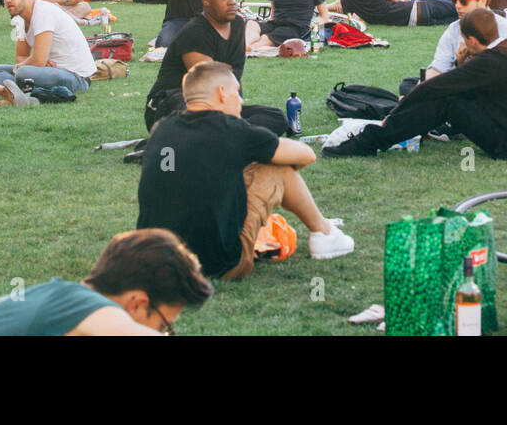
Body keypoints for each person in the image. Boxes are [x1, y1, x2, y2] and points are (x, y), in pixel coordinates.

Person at [138, 61, 353, 277]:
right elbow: (306, 155)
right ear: (222, 93)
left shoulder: (161, 129)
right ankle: (324, 233)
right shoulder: (233, 131)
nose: (240, 101)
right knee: (280, 169)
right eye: (237, 93)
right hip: (216, 263)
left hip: (154, 260)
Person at [323, 8, 507, 159]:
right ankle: (384, 135)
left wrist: (394, 114)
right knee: (448, 95)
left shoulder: (491, 61)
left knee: (445, 101)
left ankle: (369, 141)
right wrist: (461, 62)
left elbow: (434, 87)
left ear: (471, 40)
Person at [0, 229, 213, 335]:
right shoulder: (83, 304)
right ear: (137, 303)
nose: (162, 333)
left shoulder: (68, 306)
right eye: (164, 327)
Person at [144, 0, 251, 128]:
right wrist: (223, 71)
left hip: (218, 102)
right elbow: (206, 81)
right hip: (172, 101)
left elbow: (235, 74)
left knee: (273, 117)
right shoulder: (195, 32)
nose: (232, 2)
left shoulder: (238, 25)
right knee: (202, 115)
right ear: (206, 0)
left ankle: (226, 129)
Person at [0, 0, 97, 95]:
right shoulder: (20, 19)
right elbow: (21, 56)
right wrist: (36, 63)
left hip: (76, 76)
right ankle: (22, 90)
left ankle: (21, 90)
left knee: (22, 73)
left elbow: (38, 60)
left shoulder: (42, 12)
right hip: (48, 71)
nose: (8, 0)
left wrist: (29, 64)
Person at [424, 0, 507, 79]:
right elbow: (438, 67)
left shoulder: (505, 29)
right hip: (464, 84)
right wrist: (422, 87)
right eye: (454, 0)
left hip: (494, 86)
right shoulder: (454, 29)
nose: (457, 5)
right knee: (410, 83)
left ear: (482, 1)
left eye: (463, 1)